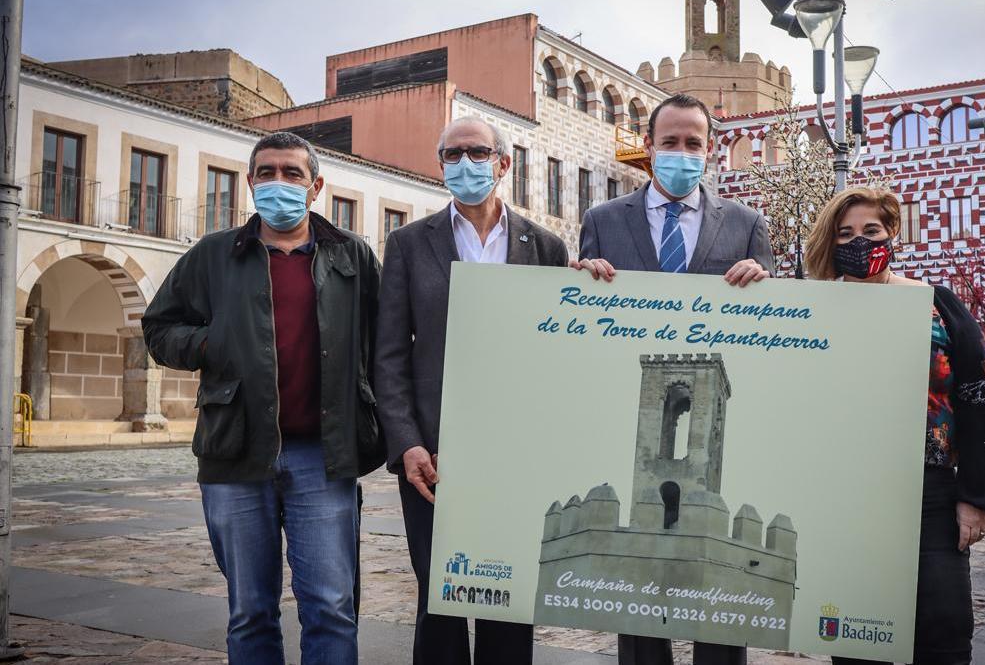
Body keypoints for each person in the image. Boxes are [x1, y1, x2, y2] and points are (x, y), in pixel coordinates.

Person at [142, 131, 384, 664]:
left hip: (325, 456)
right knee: (250, 610)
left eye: (292, 173)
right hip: (235, 453)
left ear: (315, 186)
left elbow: (388, 340)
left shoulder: (353, 257)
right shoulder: (213, 255)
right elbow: (159, 328)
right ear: (250, 182)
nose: (279, 182)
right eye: (267, 172)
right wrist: (211, 341)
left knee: (331, 606)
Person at [571, 93, 772, 665]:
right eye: (669, 143)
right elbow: (589, 327)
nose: (681, 153)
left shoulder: (746, 224)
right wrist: (584, 279)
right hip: (639, 399)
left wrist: (764, 278)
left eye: (693, 144)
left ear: (709, 151)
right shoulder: (603, 222)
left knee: (717, 594)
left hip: (713, 400)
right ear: (649, 147)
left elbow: (768, 321)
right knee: (637, 594)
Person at [374, 117, 569, 665]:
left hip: (516, 460)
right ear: (440, 166)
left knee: (508, 604)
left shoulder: (547, 247)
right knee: (439, 601)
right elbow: (389, 356)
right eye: (451, 154)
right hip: (432, 461)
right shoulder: (409, 245)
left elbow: (560, 357)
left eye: (476, 152)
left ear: (502, 163)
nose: (464, 163)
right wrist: (407, 443)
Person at [805, 186, 985, 665]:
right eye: (845, 233)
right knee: (856, 639)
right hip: (844, 497)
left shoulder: (936, 305)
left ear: (891, 232)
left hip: (929, 494)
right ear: (831, 243)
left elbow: (981, 400)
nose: (859, 241)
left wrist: (977, 498)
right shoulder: (809, 310)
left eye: (870, 230)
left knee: (945, 634)